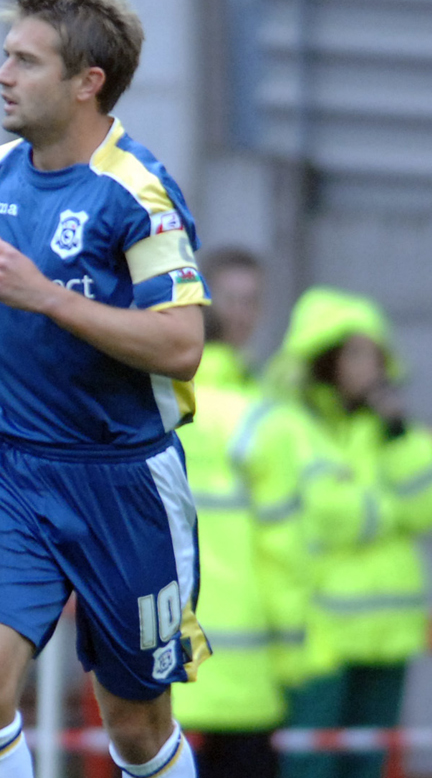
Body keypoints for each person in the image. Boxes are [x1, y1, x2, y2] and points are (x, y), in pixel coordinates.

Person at [0, 0, 211, 778]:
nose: (1, 76)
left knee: (135, 727)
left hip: (123, 484)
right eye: (6, 57)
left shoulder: (138, 192)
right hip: (10, 472)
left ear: (86, 82)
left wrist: (50, 297)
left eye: (25, 62)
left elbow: (181, 346)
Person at [260, 287, 432, 778]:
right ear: (325, 356)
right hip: (322, 637)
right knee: (310, 764)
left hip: (390, 635)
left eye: (376, 351)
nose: (371, 365)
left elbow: (425, 509)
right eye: (356, 352)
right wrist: (386, 510)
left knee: (368, 764)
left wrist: (397, 437)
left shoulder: (395, 431)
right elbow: (327, 515)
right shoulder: (292, 426)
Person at [172, 250, 283, 778]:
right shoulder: (258, 415)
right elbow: (287, 542)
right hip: (244, 665)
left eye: (252, 301)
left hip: (165, 649)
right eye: (231, 299)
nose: (242, 314)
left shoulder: (156, 391)